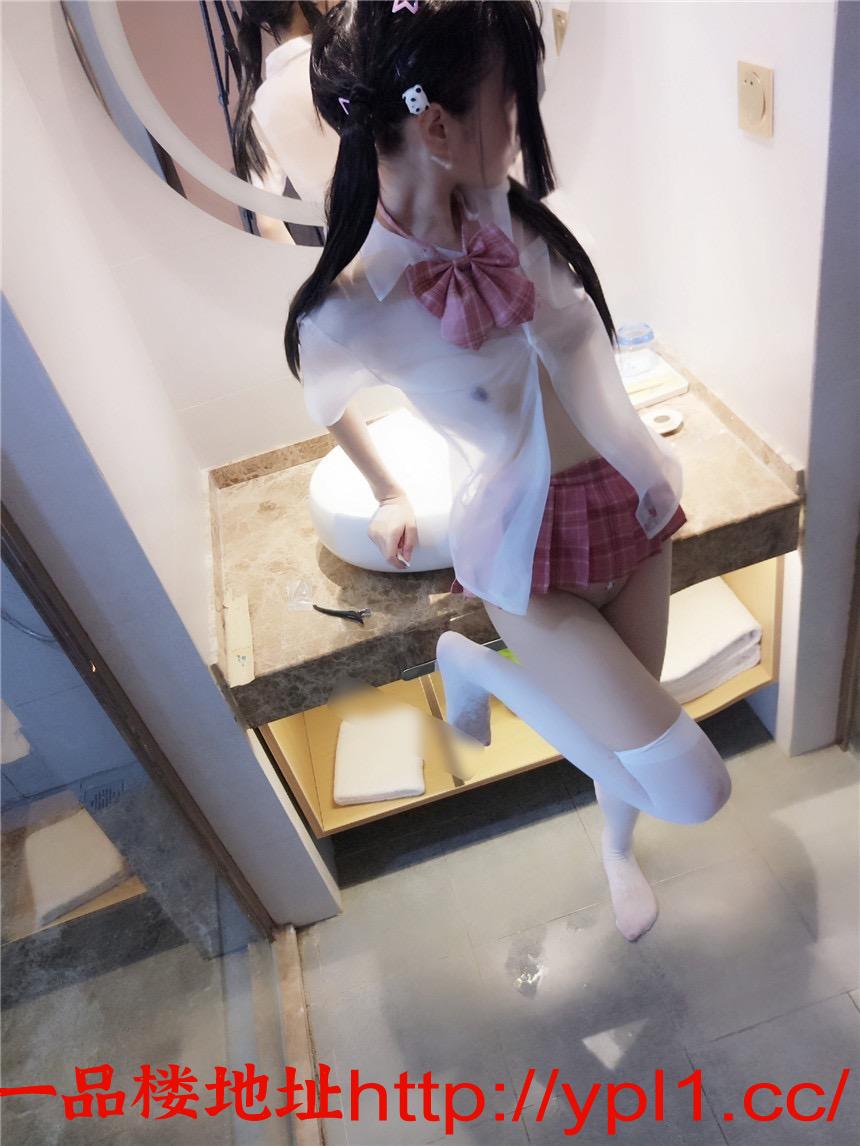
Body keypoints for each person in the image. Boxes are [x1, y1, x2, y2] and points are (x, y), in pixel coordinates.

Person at [283, 0, 732, 942]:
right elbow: (323, 402)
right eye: (510, 100)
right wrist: (390, 490)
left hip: (630, 510)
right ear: (439, 127)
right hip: (528, 555)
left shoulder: (516, 225)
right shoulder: (352, 308)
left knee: (628, 737)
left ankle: (616, 850)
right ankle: (472, 663)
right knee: (692, 785)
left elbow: (585, 364)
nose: (523, 122)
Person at [233, 1, 338, 243]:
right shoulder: (347, 63)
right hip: (410, 238)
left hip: (345, 253)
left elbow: (268, 223)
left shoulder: (259, 107)